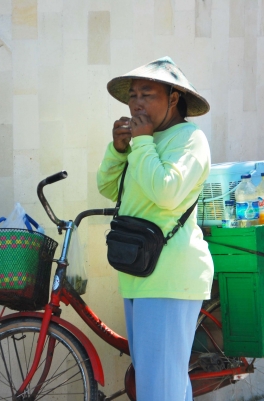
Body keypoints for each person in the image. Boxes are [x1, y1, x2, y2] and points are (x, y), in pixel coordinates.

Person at [97, 57, 214, 400]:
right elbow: (108, 188)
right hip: (138, 272)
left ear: (174, 98)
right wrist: (120, 150)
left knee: (160, 388)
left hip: (170, 277)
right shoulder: (142, 142)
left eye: (147, 94)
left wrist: (142, 142)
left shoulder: (190, 139)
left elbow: (166, 192)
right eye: (133, 95)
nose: (136, 103)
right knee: (155, 382)